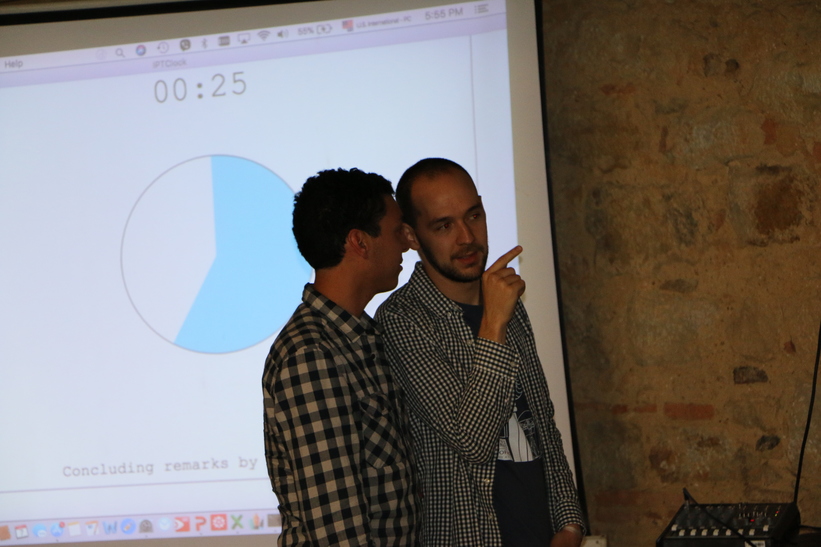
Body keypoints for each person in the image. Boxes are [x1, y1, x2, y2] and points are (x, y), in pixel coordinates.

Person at [376, 158, 585, 546]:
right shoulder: (403, 319)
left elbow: (542, 422)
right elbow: (472, 440)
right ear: (411, 236)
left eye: (474, 215)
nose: (467, 237)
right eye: (444, 226)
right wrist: (493, 325)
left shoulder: (506, 305)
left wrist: (570, 524)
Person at [262, 168, 417, 546]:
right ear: (360, 242)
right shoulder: (312, 356)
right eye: (397, 230)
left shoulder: (361, 337)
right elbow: (339, 532)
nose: (407, 243)